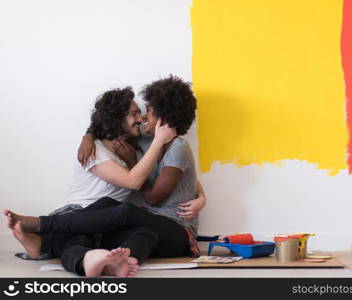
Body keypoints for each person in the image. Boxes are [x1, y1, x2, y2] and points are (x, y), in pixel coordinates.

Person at [5, 76, 205, 275]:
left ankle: (42, 225)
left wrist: (132, 161)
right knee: (116, 223)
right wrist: (89, 135)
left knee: (124, 210)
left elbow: (153, 197)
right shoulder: (145, 140)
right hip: (148, 226)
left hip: (179, 231)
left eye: (149, 111)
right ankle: (120, 262)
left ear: (164, 117)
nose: (144, 117)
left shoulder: (178, 148)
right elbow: (110, 123)